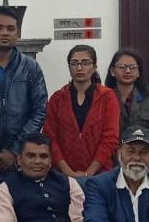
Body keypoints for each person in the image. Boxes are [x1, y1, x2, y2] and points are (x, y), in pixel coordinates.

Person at [0, 7, 48, 178]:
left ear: (18, 33)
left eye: (10, 29)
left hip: (22, 158)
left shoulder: (31, 68)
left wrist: (16, 150)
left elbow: (39, 111)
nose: (5, 33)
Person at [41, 44, 120, 178]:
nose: (79, 67)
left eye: (85, 63)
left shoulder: (107, 97)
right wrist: (67, 172)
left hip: (100, 174)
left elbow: (110, 138)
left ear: (94, 67)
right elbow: (50, 137)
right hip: (62, 174)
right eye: (74, 63)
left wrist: (89, 172)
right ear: (69, 67)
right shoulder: (58, 98)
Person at [106, 48, 149, 166]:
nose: (127, 71)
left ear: (138, 72)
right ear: (112, 71)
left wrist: (148, 165)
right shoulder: (103, 99)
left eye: (132, 67)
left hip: (145, 165)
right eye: (122, 67)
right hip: (112, 166)